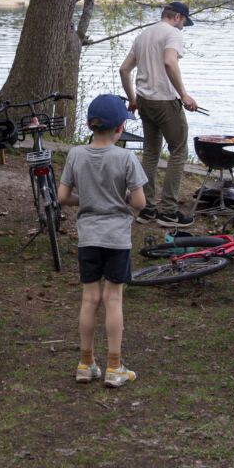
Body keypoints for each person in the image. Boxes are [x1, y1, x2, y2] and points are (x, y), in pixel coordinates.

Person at [57, 94, 148, 389]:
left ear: (88, 125)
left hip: (88, 237)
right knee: (113, 299)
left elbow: (62, 197)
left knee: (89, 299)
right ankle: (113, 367)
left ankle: (85, 364)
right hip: (117, 238)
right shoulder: (126, 157)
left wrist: (85, 200)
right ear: (121, 128)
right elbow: (139, 201)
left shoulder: (75, 154)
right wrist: (121, 203)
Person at [118, 1, 200, 229]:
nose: (183, 27)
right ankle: (169, 213)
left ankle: (147, 209)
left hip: (144, 102)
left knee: (151, 153)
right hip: (165, 101)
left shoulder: (143, 34)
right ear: (176, 17)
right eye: (184, 22)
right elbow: (169, 61)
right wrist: (184, 95)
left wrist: (132, 99)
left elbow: (124, 69)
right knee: (178, 151)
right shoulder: (172, 33)